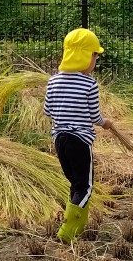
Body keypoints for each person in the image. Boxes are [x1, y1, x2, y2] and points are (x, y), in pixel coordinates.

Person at [44, 28, 112, 242]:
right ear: (85, 56)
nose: (95, 60)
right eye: (94, 55)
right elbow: (94, 116)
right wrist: (106, 123)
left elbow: (47, 110)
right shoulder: (89, 84)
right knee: (86, 186)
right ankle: (68, 231)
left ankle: (75, 226)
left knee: (75, 182)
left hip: (59, 139)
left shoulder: (53, 81)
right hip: (80, 141)